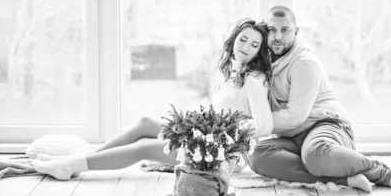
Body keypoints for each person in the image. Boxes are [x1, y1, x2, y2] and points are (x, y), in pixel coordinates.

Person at [31, 18, 274, 181]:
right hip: (207, 136)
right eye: (243, 39)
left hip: (223, 153)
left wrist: (226, 132)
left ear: (258, 51)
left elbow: (264, 125)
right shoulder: (230, 70)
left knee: (144, 148)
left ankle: (71, 166)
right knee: (146, 123)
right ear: (234, 39)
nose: (246, 47)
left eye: (254, 45)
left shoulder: (254, 77)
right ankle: (87, 158)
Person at [247, 6, 391, 194]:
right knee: (256, 155)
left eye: (285, 30)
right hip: (292, 137)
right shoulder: (264, 61)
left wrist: (255, 125)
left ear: (296, 32)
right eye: (271, 30)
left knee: (315, 155)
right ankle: (344, 178)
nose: (277, 36)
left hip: (326, 125)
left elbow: (295, 116)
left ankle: (382, 173)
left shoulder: (304, 64)